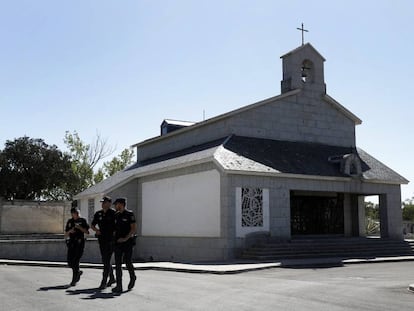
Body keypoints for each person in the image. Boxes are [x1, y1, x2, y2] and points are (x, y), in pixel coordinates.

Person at [91, 196, 116, 289]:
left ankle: (104, 281)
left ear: (109, 203)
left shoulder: (114, 213)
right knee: (105, 260)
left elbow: (117, 226)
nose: (102, 204)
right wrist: (97, 230)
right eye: (102, 202)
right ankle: (112, 278)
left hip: (111, 240)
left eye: (104, 202)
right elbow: (92, 225)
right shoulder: (98, 213)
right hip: (102, 240)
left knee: (106, 260)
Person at [112, 197, 137, 293]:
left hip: (127, 243)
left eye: (116, 204)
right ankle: (119, 286)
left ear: (121, 204)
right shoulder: (116, 215)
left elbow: (133, 229)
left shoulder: (130, 214)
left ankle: (133, 277)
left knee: (128, 262)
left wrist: (125, 239)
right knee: (118, 264)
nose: (115, 206)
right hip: (118, 243)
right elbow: (114, 229)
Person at [65, 206, 89, 286]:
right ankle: (78, 273)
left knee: (76, 261)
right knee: (70, 262)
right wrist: (70, 231)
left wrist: (80, 228)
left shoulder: (82, 221)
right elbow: (65, 234)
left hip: (79, 243)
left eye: (76, 213)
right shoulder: (70, 221)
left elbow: (87, 232)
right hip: (71, 243)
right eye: (74, 213)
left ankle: (74, 280)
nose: (75, 214)